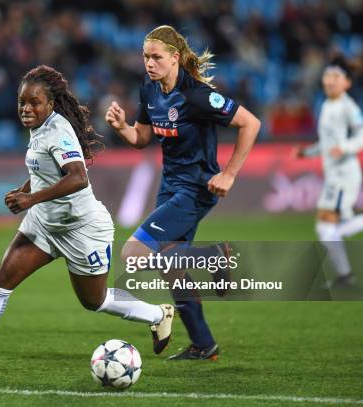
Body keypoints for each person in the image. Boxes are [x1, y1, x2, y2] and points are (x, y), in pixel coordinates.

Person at [0, 65, 174, 370]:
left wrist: (30, 199)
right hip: (45, 224)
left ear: (51, 104)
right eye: (22, 102)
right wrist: (24, 189)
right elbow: (44, 170)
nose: (27, 108)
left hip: (82, 228)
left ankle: (157, 314)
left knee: (94, 301)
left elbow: (77, 178)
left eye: (35, 102)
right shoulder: (39, 128)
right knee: (2, 280)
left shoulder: (58, 131)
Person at [105, 25, 260, 360]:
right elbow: (142, 138)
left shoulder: (198, 96)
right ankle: (204, 345)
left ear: (175, 58)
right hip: (170, 184)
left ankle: (217, 256)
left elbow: (251, 123)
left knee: (133, 254)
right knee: (171, 264)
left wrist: (229, 174)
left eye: (156, 57)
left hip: (196, 188)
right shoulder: (149, 88)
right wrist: (122, 129)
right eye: (145, 56)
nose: (148, 63)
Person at [295, 57, 363, 288]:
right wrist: (308, 152)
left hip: (344, 174)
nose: (330, 81)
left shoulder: (347, 106)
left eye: (336, 77)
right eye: (328, 76)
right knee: (327, 229)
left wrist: (344, 148)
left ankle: (345, 275)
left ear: (347, 83)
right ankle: (345, 276)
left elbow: (362, 134)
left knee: (326, 229)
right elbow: (327, 143)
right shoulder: (326, 105)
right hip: (335, 175)